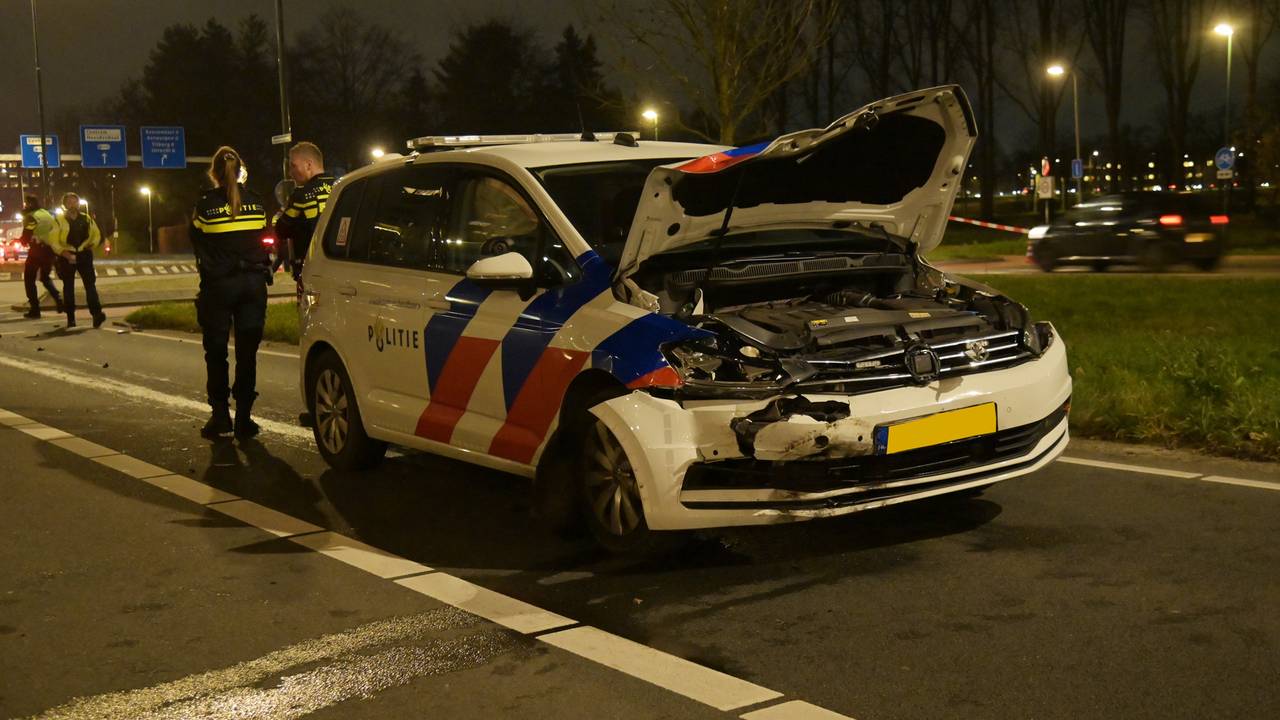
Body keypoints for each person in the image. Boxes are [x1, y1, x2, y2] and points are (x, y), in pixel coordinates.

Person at [190, 146, 271, 439]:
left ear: (214, 174)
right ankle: (245, 419)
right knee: (247, 354)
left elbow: (198, 241)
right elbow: (263, 239)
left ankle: (220, 416)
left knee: (216, 352)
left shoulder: (205, 205)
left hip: (219, 287)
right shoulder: (258, 203)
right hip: (252, 285)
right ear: (241, 172)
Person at [274, 141, 335, 279]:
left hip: (310, 268)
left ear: (308, 165)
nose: (290, 173)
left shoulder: (300, 195)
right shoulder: (341, 187)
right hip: (337, 265)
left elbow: (281, 230)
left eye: (293, 166)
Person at [51, 192, 107, 329]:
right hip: (66, 256)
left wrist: (91, 245)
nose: (72, 205)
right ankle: (71, 318)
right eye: (69, 202)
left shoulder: (86, 218)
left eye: (75, 202)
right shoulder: (58, 220)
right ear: (64, 205)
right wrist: (64, 253)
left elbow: (96, 234)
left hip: (84, 254)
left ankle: (97, 314)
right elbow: (53, 240)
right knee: (68, 287)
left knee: (90, 285)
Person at [20, 195, 63, 319]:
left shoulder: (31, 217)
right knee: (45, 277)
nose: (24, 206)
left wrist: (22, 240)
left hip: (37, 251)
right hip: (50, 251)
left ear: (29, 204)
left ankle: (35, 309)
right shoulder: (46, 214)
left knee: (29, 279)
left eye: (25, 204)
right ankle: (58, 299)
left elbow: (26, 235)